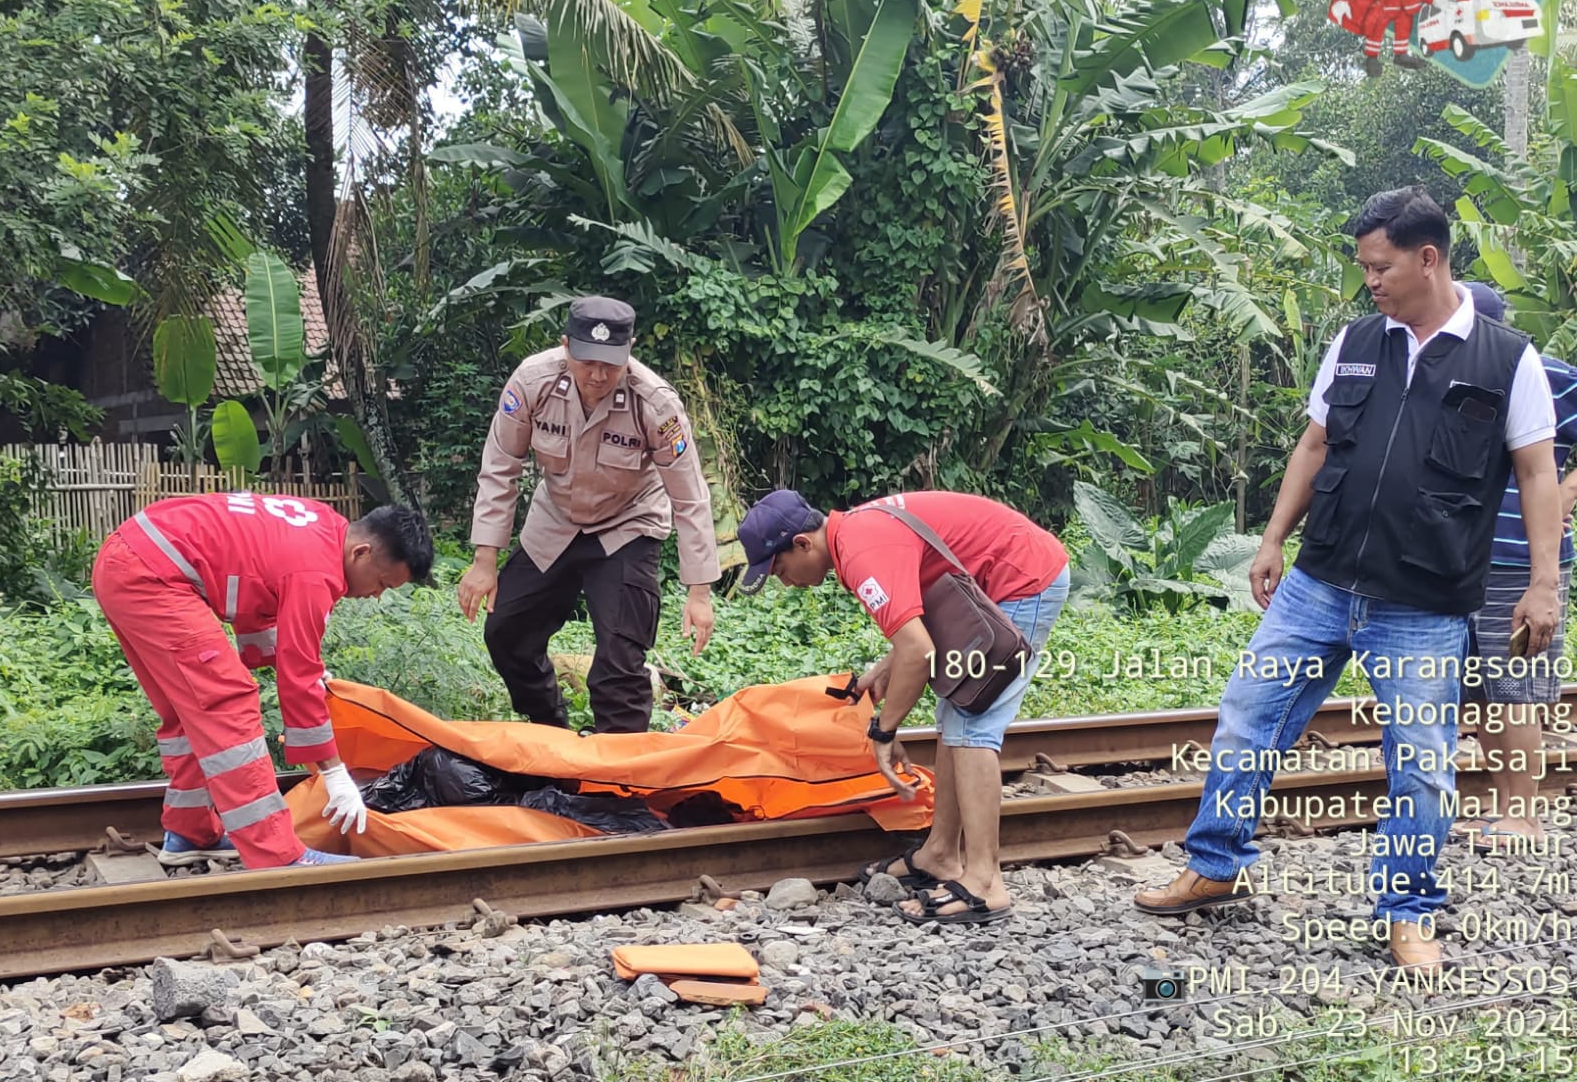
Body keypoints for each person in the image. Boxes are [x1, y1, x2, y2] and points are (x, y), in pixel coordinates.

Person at [1132, 187, 1562, 975]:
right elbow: (1314, 445)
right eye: (1365, 266)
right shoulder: (1358, 340)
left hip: (1423, 602)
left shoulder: (1507, 359)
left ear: (1427, 258)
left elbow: (1537, 473)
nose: (1370, 280)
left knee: (1422, 765)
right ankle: (1215, 866)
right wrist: (1271, 539)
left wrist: (1543, 584)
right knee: (1247, 720)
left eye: (1380, 265)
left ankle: (1408, 912)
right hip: (1321, 583)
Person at [736, 489, 1070, 926]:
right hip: (991, 579)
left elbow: (919, 651)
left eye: (779, 569)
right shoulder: (854, 534)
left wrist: (885, 731)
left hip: (1023, 579)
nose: (785, 581)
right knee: (956, 713)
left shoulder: (861, 551)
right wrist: (886, 668)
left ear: (803, 544)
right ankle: (940, 855)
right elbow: (919, 624)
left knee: (973, 723)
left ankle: (985, 883)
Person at [92, 494, 434, 869]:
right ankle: (277, 855)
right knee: (228, 702)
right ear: (362, 553)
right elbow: (297, 681)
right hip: (151, 575)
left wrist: (299, 667)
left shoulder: (322, 526)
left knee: (188, 708)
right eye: (382, 582)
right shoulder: (316, 572)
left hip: (130, 558)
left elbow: (260, 593)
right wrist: (335, 774)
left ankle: (191, 832)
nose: (375, 594)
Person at [457, 296, 720, 733]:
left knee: (620, 658)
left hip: (628, 527)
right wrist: (484, 560)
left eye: (611, 364)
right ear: (565, 347)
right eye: (587, 362)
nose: (598, 375)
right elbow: (500, 465)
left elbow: (690, 497)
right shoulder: (531, 382)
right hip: (556, 520)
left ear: (630, 350)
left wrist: (699, 592)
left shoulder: (655, 404)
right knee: (506, 630)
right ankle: (549, 730)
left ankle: (616, 777)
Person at [1457, 282, 1577, 853]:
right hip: (1457, 558)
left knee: (1515, 686)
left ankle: (1524, 816)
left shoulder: (1546, 373)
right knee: (1479, 692)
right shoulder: (1439, 372)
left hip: (1518, 558)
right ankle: (1507, 807)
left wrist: (1562, 498)